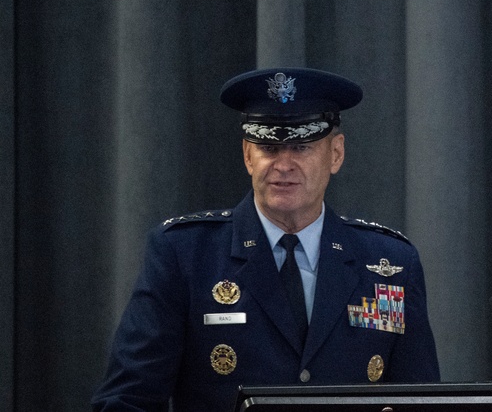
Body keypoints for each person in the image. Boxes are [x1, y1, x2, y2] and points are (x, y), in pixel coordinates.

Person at [93, 67, 439, 411]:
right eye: (268, 148)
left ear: (335, 154)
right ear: (248, 156)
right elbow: (126, 401)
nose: (283, 164)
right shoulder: (185, 255)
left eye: (301, 147)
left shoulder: (389, 264)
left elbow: (423, 402)